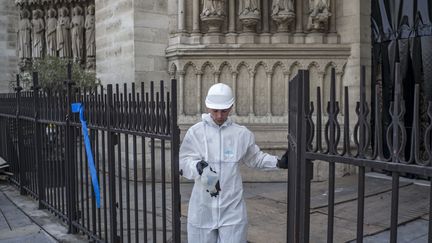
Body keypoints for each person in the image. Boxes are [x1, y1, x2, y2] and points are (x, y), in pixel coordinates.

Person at [179, 83, 289, 242]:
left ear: (231, 107)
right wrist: (195, 166)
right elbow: (183, 161)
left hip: (232, 207)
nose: (218, 115)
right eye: (215, 111)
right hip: (203, 207)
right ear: (208, 107)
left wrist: (278, 163)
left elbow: (255, 158)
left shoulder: (240, 134)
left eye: (223, 111)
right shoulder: (196, 132)